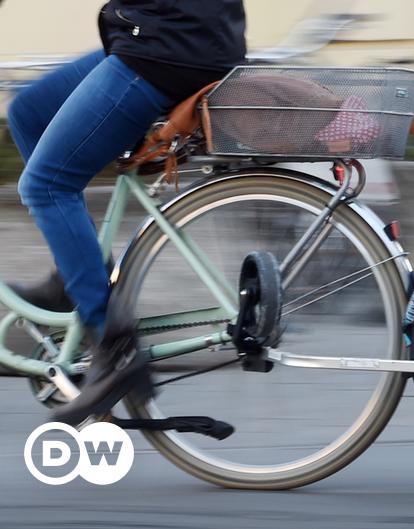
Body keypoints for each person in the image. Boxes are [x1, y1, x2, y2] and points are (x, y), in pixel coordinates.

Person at [6, 1, 247, 425]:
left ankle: (113, 348)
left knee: (45, 185)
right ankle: (77, 276)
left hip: (166, 49)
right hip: (176, 37)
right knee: (29, 112)